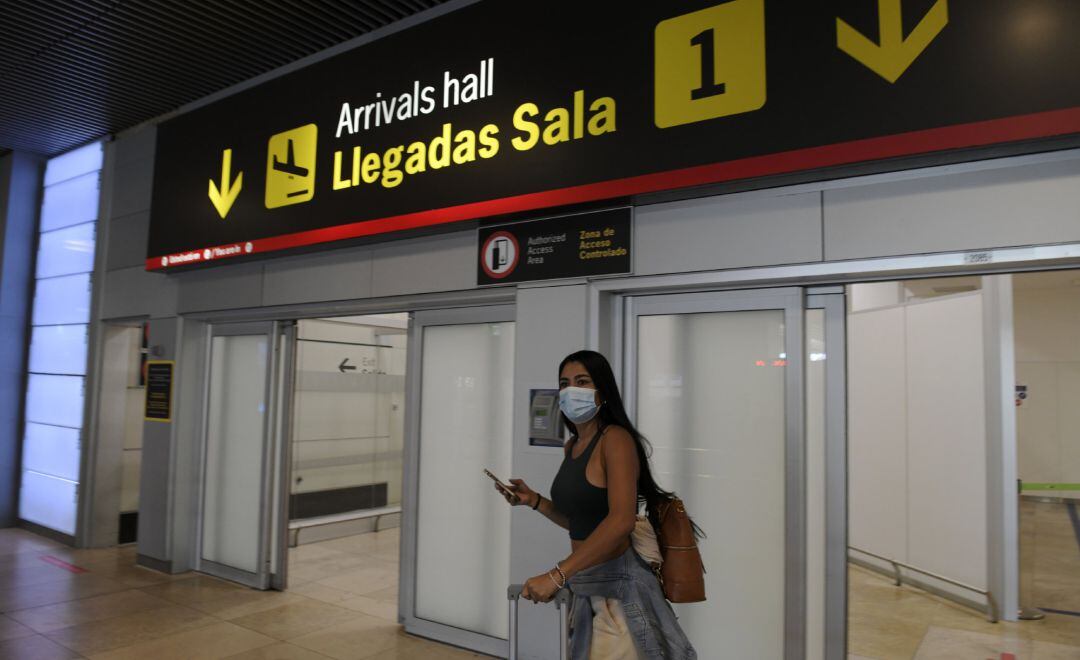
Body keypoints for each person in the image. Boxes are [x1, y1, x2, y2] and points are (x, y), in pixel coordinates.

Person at [496, 350, 697, 659]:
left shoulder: (615, 440)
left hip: (619, 589)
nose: (570, 390)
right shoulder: (572, 446)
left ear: (601, 390)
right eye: (564, 383)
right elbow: (580, 521)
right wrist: (534, 501)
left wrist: (556, 574)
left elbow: (620, 522)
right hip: (586, 585)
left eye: (582, 381)